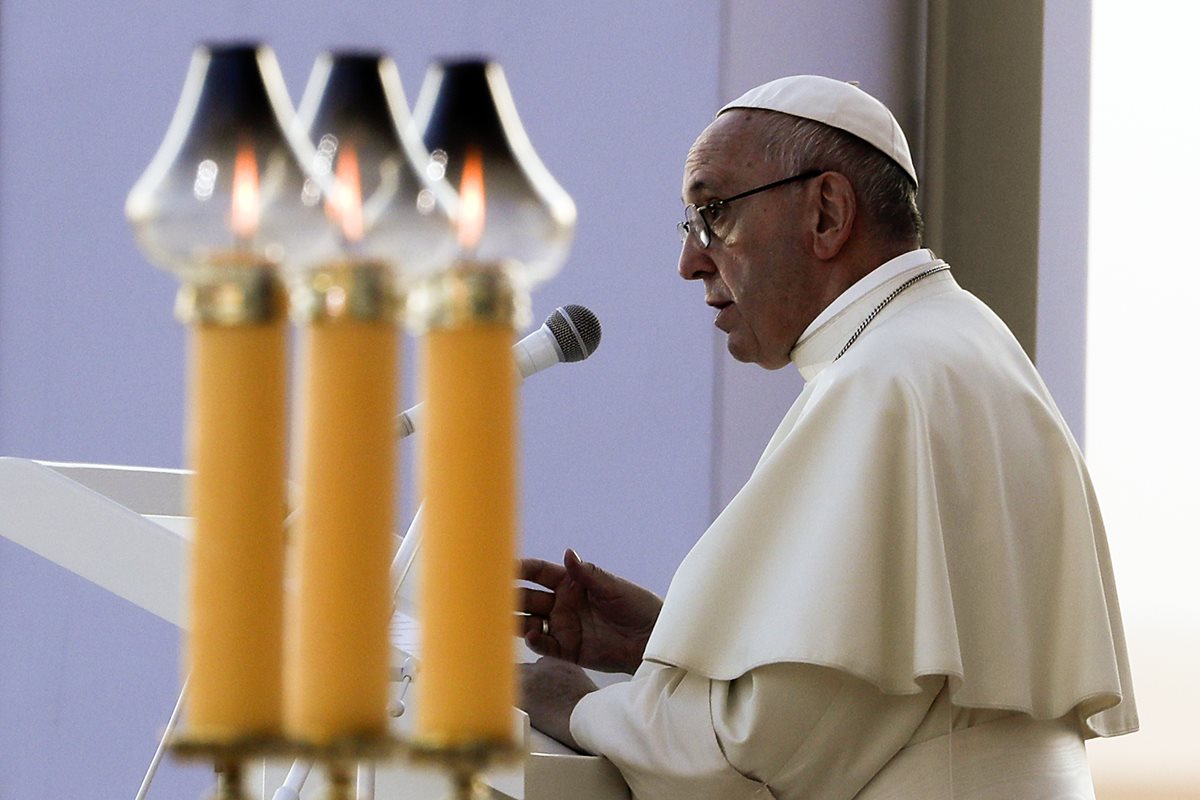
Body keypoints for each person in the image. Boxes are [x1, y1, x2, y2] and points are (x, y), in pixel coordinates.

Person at [517, 75, 1137, 799]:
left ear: (827, 213)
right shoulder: (963, 345)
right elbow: (892, 693)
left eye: (710, 214)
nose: (689, 261)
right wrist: (668, 644)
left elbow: (748, 762)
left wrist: (570, 701)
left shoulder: (884, 385)